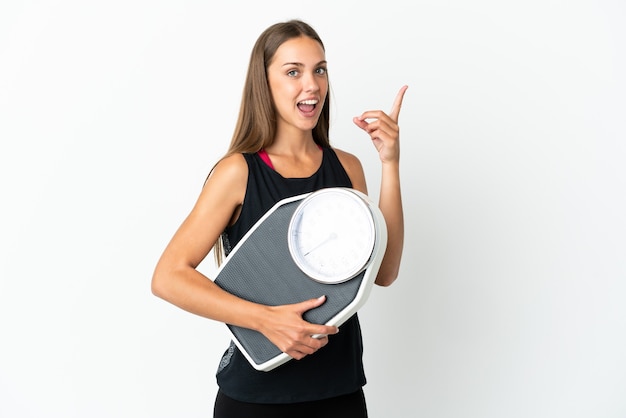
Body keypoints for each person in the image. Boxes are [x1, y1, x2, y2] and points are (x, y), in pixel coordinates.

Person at [151, 19, 407, 418]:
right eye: (293, 72)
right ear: (264, 83)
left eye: (319, 69)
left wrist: (389, 163)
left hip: (339, 392)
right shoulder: (238, 173)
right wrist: (265, 321)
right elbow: (168, 276)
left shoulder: (347, 168)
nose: (312, 84)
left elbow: (384, 271)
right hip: (256, 400)